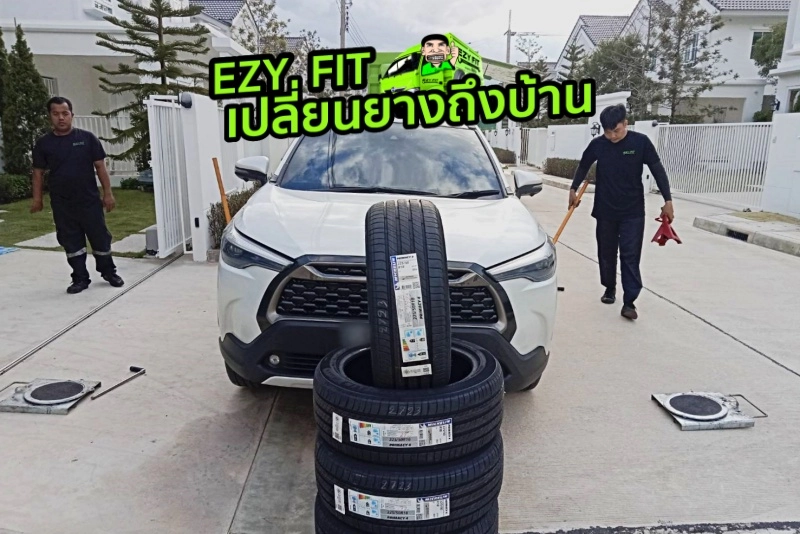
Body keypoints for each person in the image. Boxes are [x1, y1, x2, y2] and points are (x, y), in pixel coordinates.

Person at [569, 104, 674, 321]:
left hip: (632, 211)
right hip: (605, 209)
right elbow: (584, 165)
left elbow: (657, 169)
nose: (612, 136)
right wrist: (573, 189)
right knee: (606, 253)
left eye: (616, 131)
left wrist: (668, 200)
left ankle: (629, 302)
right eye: (608, 132)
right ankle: (609, 288)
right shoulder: (598, 144)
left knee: (630, 255)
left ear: (625, 123)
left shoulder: (640, 142)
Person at [31, 96, 124, 294]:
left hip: (89, 201)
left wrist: (108, 194)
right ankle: (80, 278)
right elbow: (38, 173)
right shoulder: (44, 144)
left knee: (100, 238)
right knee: (71, 241)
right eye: (56, 114)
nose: (61, 118)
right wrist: (37, 199)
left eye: (65, 113)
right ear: (50, 116)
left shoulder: (87, 138)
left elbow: (100, 167)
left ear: (72, 115)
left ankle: (109, 272)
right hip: (62, 203)